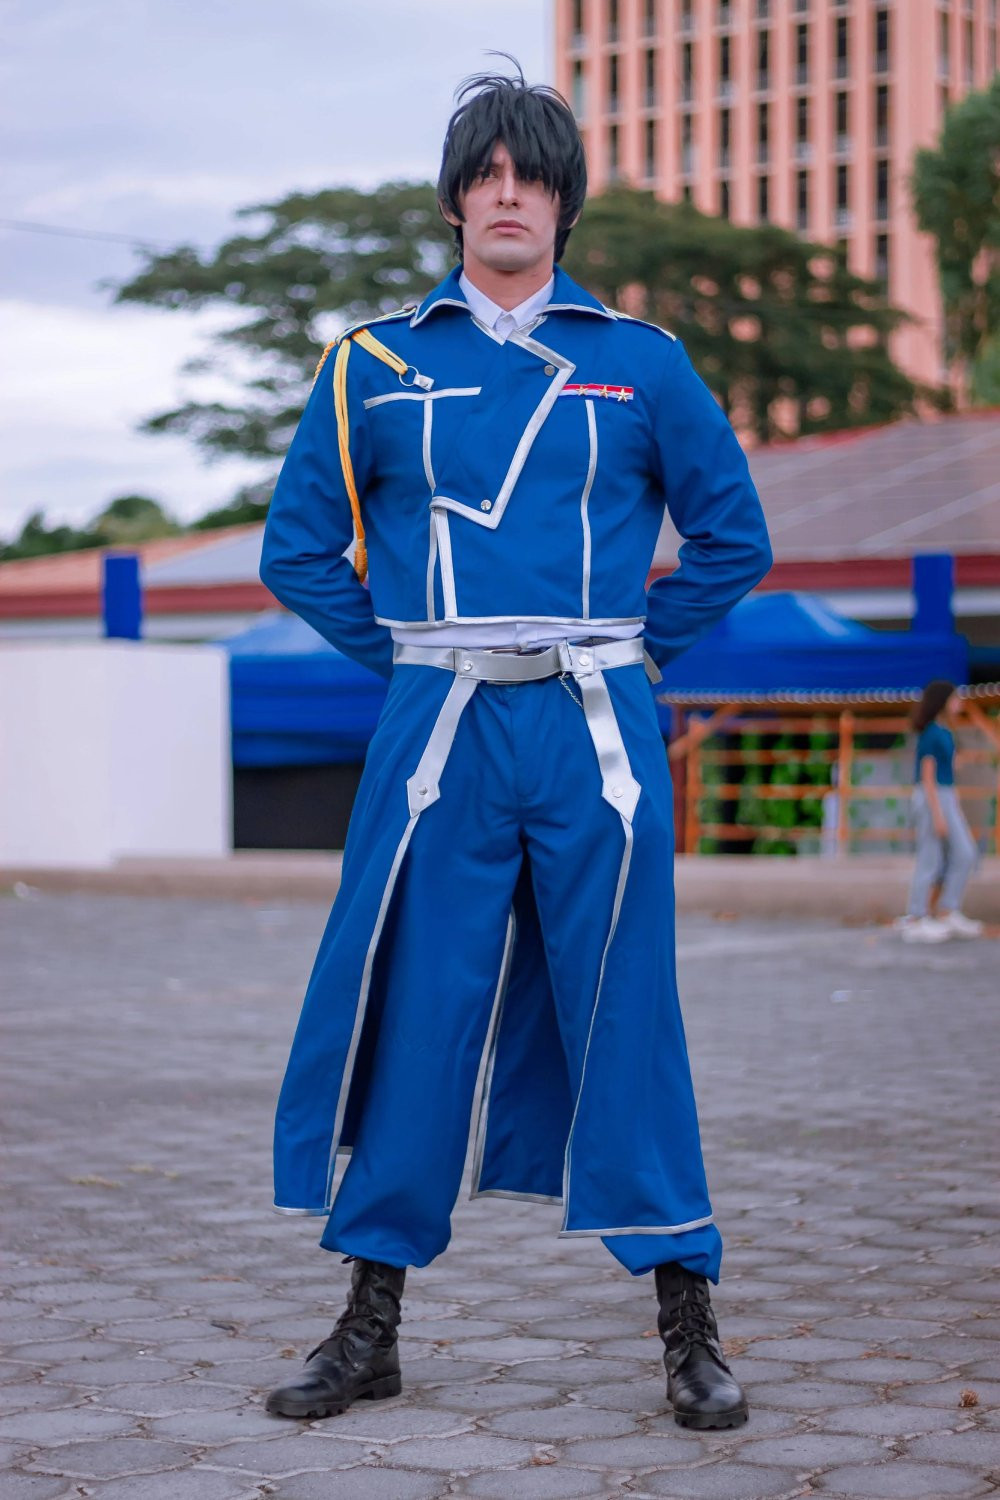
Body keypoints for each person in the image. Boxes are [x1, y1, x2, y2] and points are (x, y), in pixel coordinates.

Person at [257, 65, 772, 1431]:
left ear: (562, 203)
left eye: (530, 175)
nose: (506, 193)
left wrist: (641, 646)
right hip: (441, 732)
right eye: (484, 172)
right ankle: (369, 1324)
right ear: (453, 197)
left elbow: (734, 536)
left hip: (596, 731)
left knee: (628, 1011)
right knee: (417, 1011)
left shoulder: (643, 362)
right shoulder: (373, 359)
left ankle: (688, 1319)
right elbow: (298, 550)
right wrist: (414, 662)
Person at [901, 680, 984, 943]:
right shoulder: (932, 734)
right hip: (933, 796)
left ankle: (948, 909)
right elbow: (928, 776)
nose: (959, 704)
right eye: (955, 699)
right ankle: (915, 917)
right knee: (930, 857)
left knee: (964, 853)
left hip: (946, 795)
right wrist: (938, 814)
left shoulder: (945, 731)